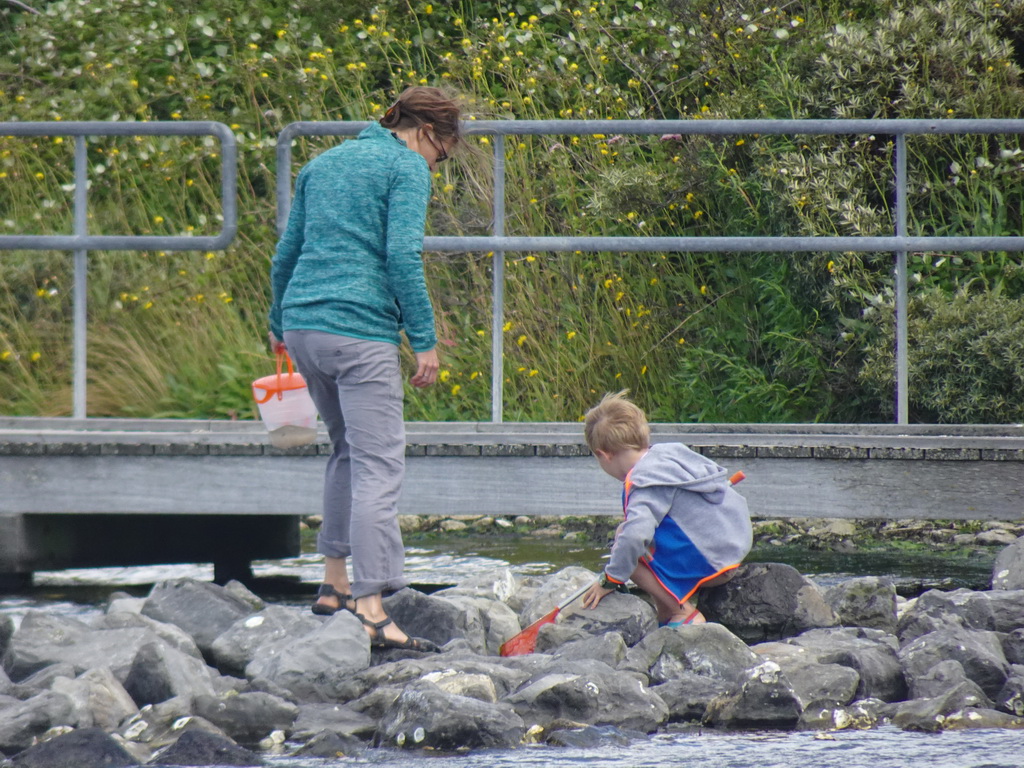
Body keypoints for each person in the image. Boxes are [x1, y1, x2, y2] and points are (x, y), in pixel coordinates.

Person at [268, 86, 461, 652]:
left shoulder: (322, 163)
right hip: (358, 332)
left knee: (346, 450)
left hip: (304, 326)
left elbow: (286, 253)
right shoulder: (405, 167)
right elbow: (402, 256)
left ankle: (333, 585)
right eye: (442, 154)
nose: (437, 164)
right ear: (428, 132)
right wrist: (422, 339)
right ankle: (373, 606)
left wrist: (279, 322)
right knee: (379, 465)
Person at [581, 391, 752, 626]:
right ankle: (665, 615)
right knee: (641, 538)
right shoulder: (670, 454)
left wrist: (610, 578)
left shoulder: (643, 481)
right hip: (732, 547)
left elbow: (634, 538)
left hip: (712, 563)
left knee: (626, 544)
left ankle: (683, 612)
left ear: (604, 455)